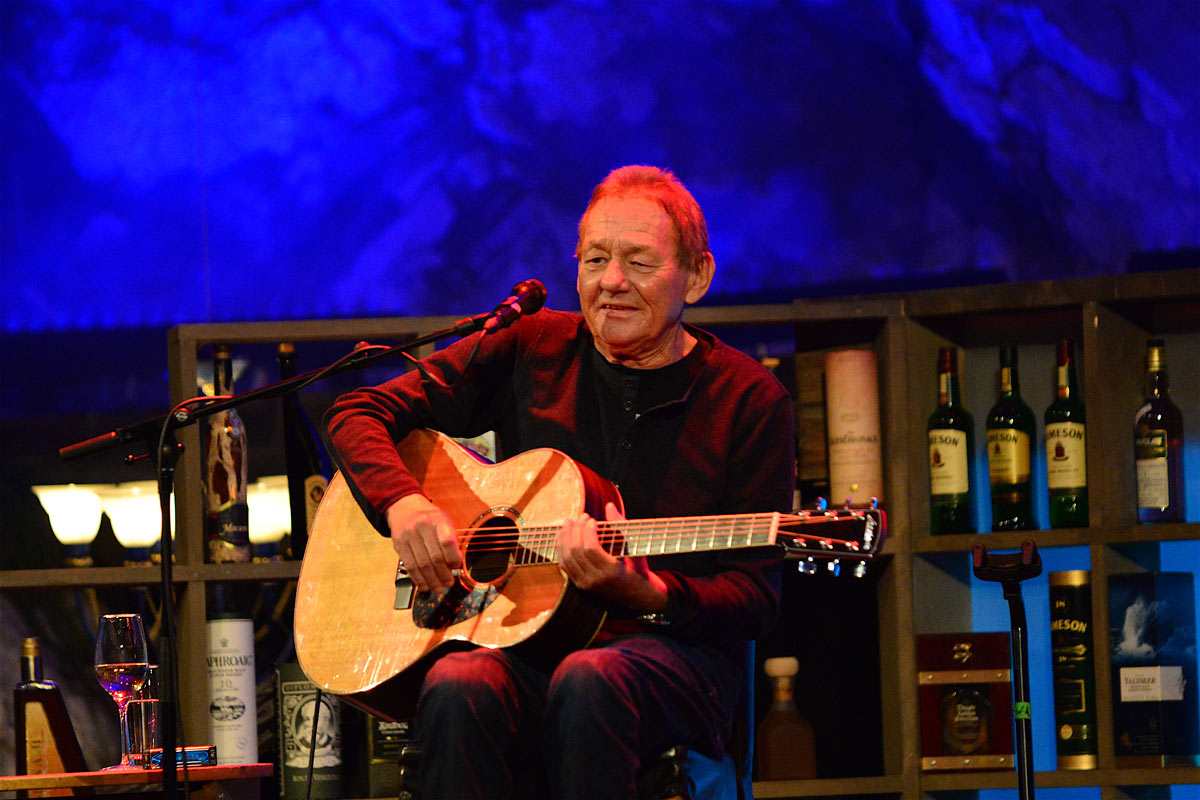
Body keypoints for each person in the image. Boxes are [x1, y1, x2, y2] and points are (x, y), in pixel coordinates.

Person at [325, 165, 796, 799]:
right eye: (595, 259)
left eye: (639, 262)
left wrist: (648, 592)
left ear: (698, 276)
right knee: (459, 684)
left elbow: (755, 598)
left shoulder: (749, 399)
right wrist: (403, 503)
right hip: (527, 642)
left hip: (675, 659)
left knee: (591, 678)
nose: (611, 282)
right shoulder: (533, 345)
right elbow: (358, 412)